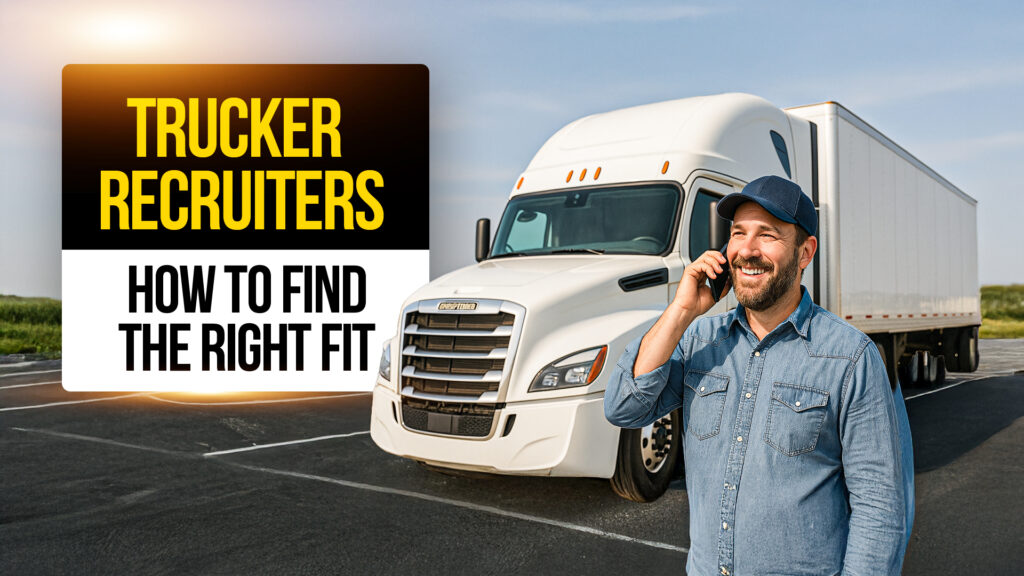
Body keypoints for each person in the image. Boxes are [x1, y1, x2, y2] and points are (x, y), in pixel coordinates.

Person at [604, 175, 908, 575]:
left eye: (768, 235)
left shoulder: (850, 357)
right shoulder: (698, 340)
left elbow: (880, 509)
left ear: (804, 253)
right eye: (738, 233)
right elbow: (624, 407)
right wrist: (681, 310)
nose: (747, 250)